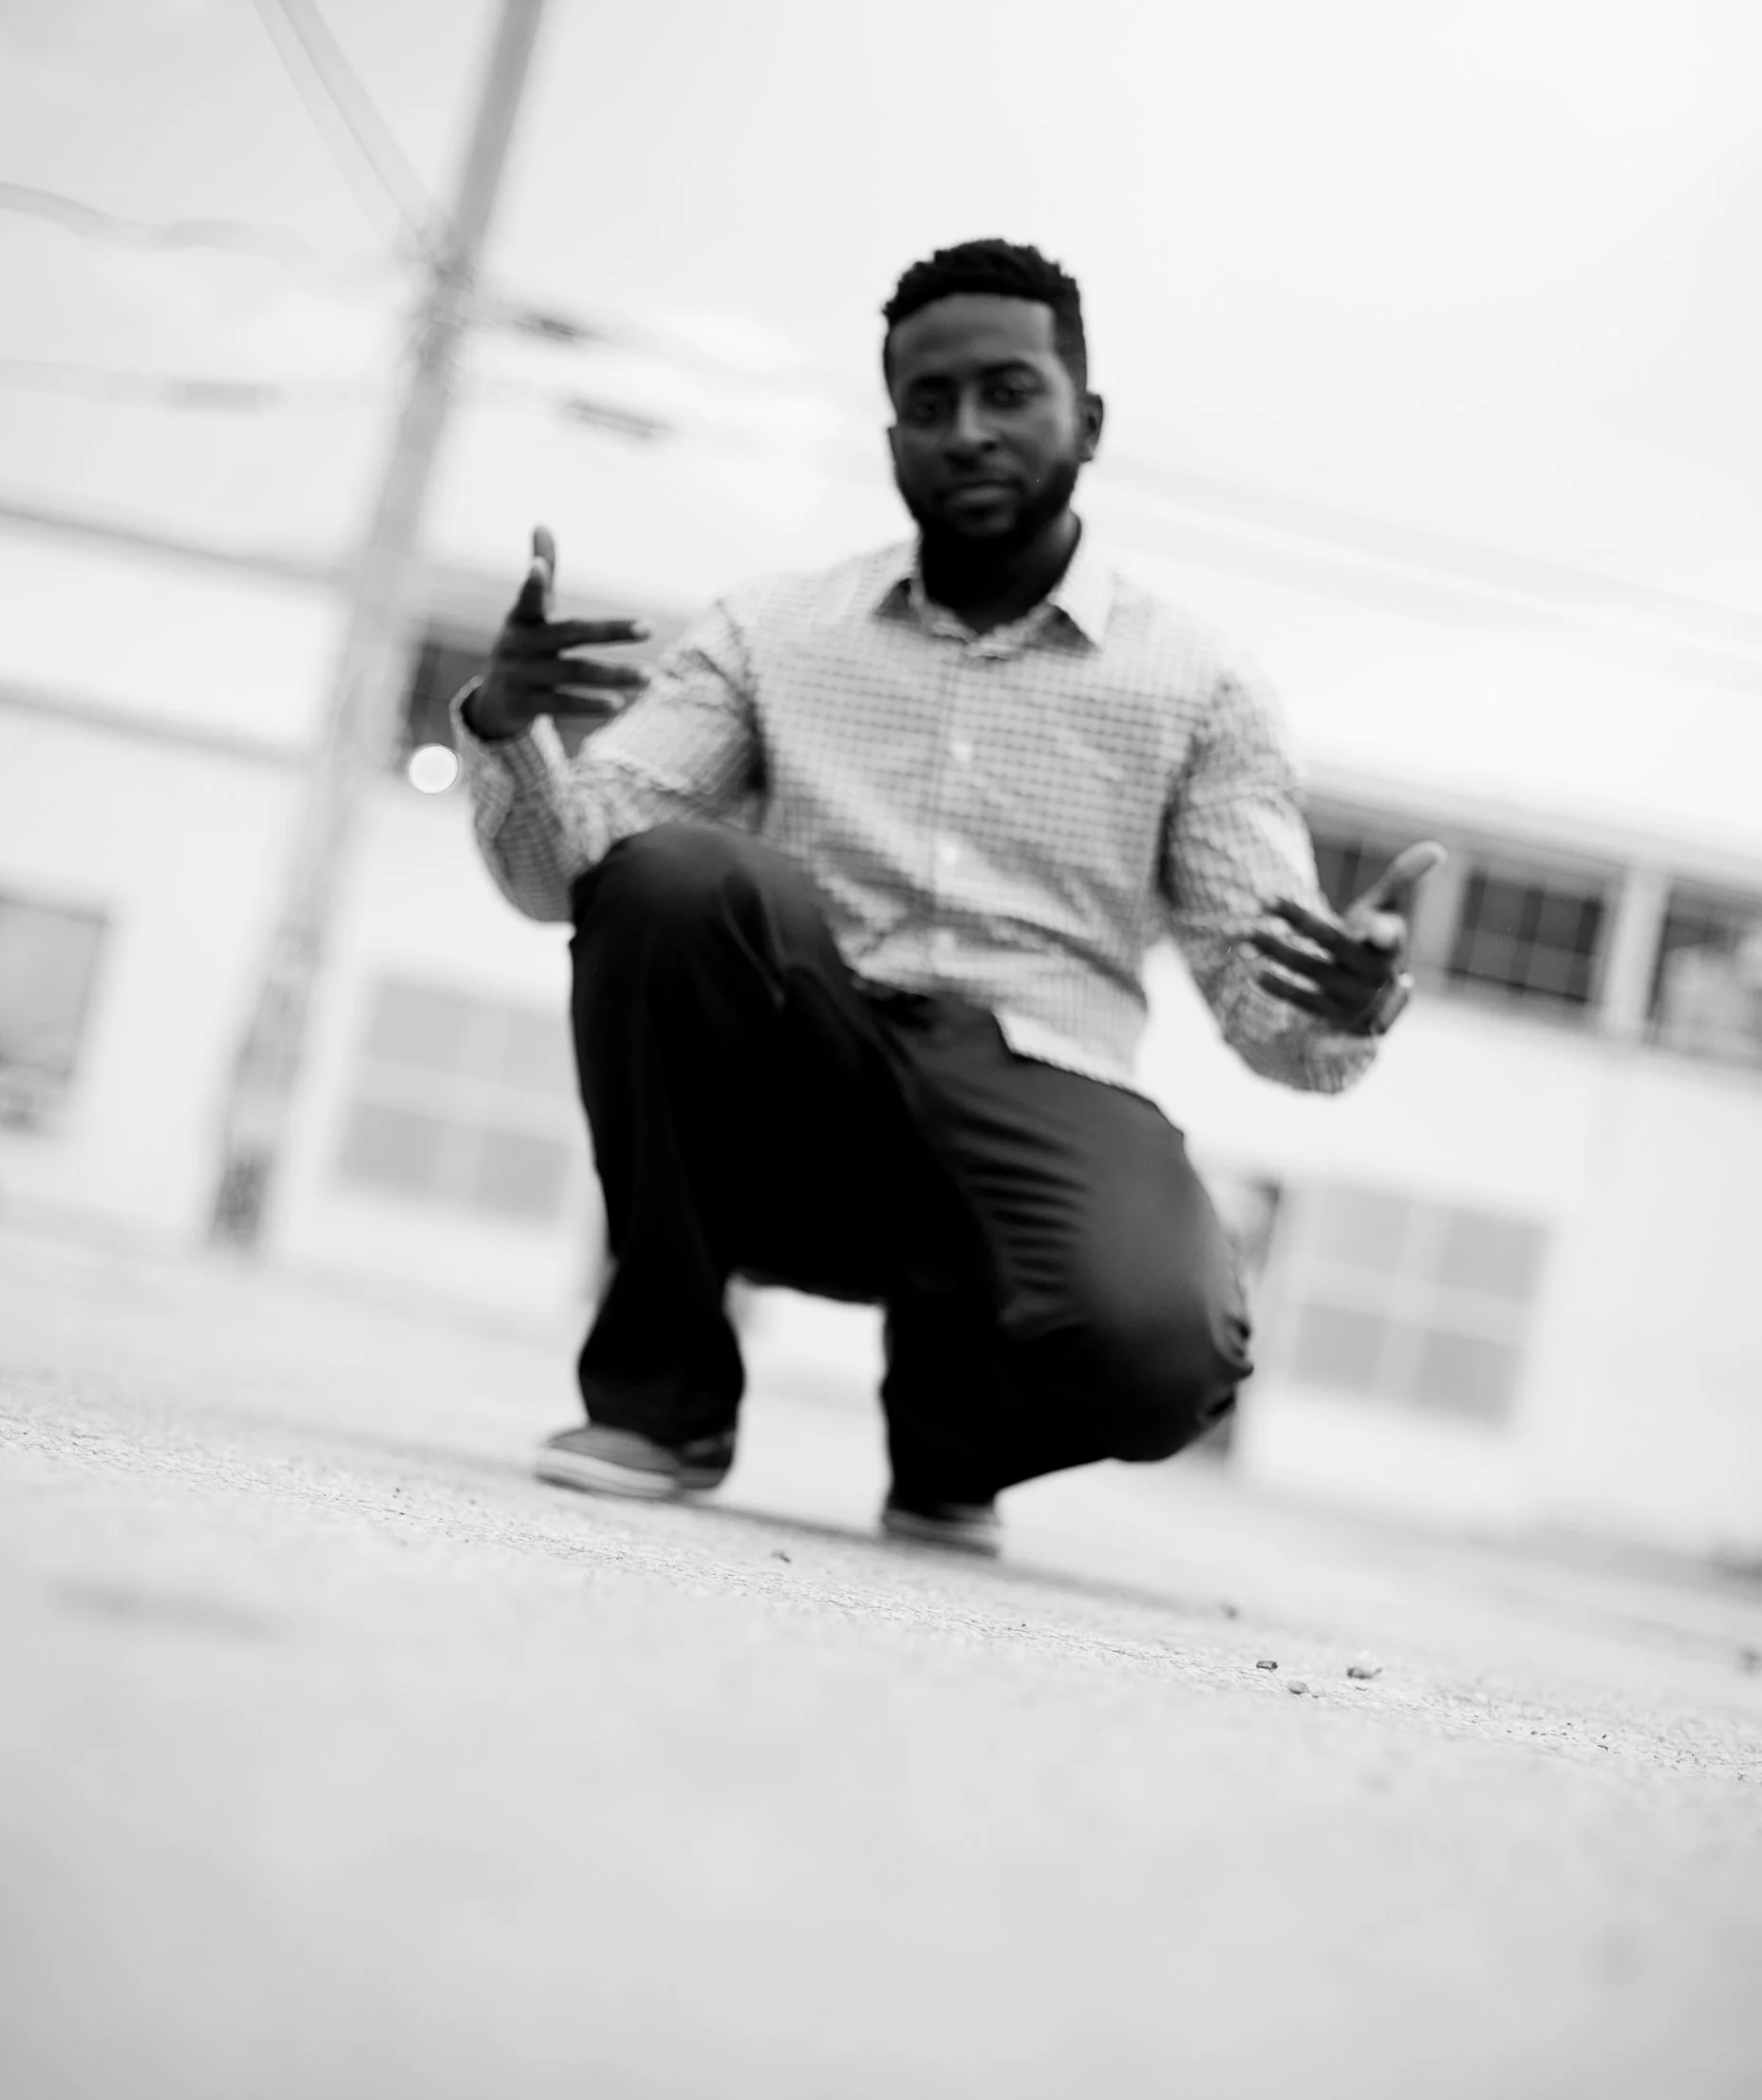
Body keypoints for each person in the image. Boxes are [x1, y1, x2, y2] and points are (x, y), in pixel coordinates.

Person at [454, 238, 1440, 1552]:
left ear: (1085, 421)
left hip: (1038, 1094)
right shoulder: (769, 632)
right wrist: (507, 727)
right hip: (810, 1084)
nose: (967, 432)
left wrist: (1347, 1004)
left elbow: (1275, 1029)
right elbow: (573, 882)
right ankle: (662, 1400)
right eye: (929, 405)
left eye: (1008, 392)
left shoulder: (1200, 686)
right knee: (678, 877)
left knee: (1168, 1354)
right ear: (892, 435)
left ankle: (952, 1428)